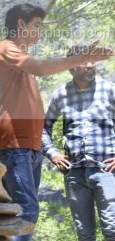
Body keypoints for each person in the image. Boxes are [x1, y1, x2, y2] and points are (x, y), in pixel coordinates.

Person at [0, 3, 113, 241]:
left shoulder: (21, 57)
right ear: (20, 24)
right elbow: (40, 68)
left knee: (23, 209)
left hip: (29, 146)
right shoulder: (8, 48)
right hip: (16, 142)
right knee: (26, 208)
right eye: (37, 25)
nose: (40, 31)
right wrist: (83, 56)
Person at [42, 45, 115, 241]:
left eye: (93, 61)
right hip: (75, 174)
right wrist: (53, 154)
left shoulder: (109, 90)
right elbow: (42, 128)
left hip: (107, 171)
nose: (91, 65)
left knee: (113, 229)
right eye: (85, 61)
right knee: (84, 233)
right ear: (71, 67)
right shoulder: (61, 95)